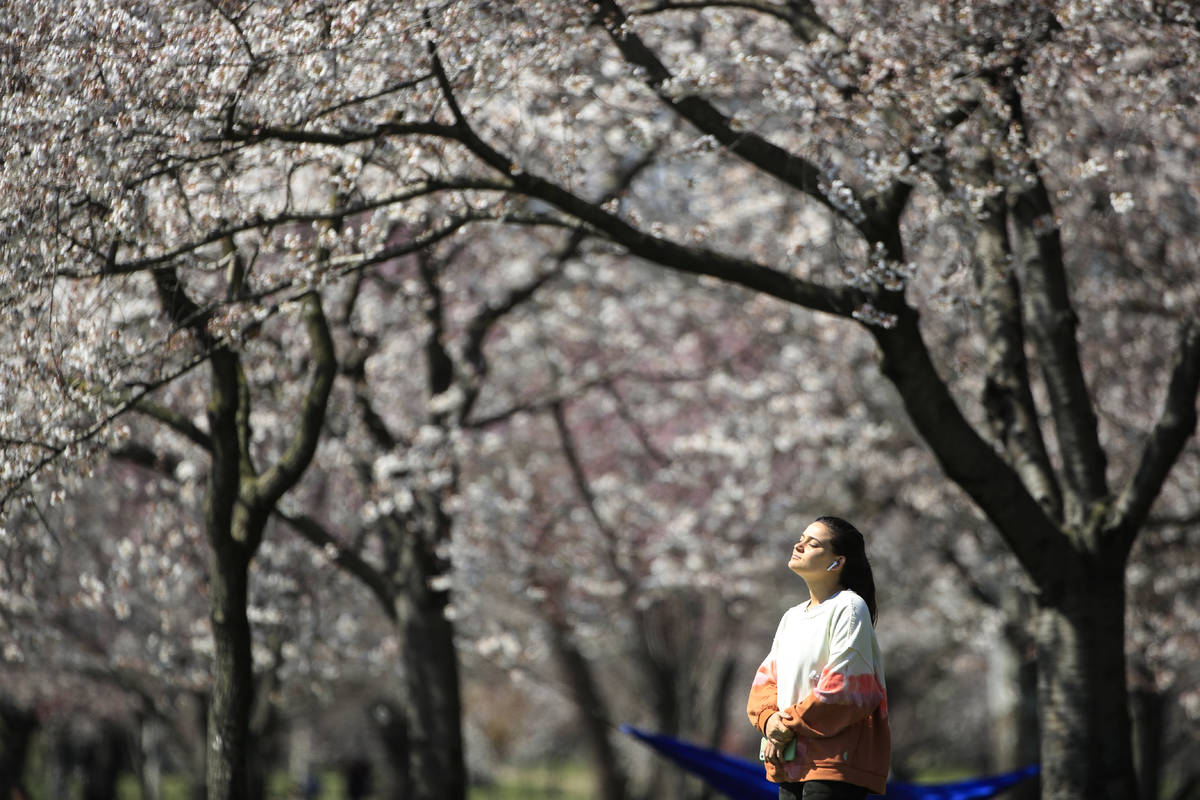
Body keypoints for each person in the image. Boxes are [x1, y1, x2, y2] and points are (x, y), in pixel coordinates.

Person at [747, 515, 890, 800]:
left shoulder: (849, 607)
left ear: (836, 562)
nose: (799, 546)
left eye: (812, 544)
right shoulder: (792, 617)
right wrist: (769, 721)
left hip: (835, 762)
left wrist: (784, 726)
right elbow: (765, 682)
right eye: (800, 539)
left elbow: (846, 685)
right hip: (789, 759)